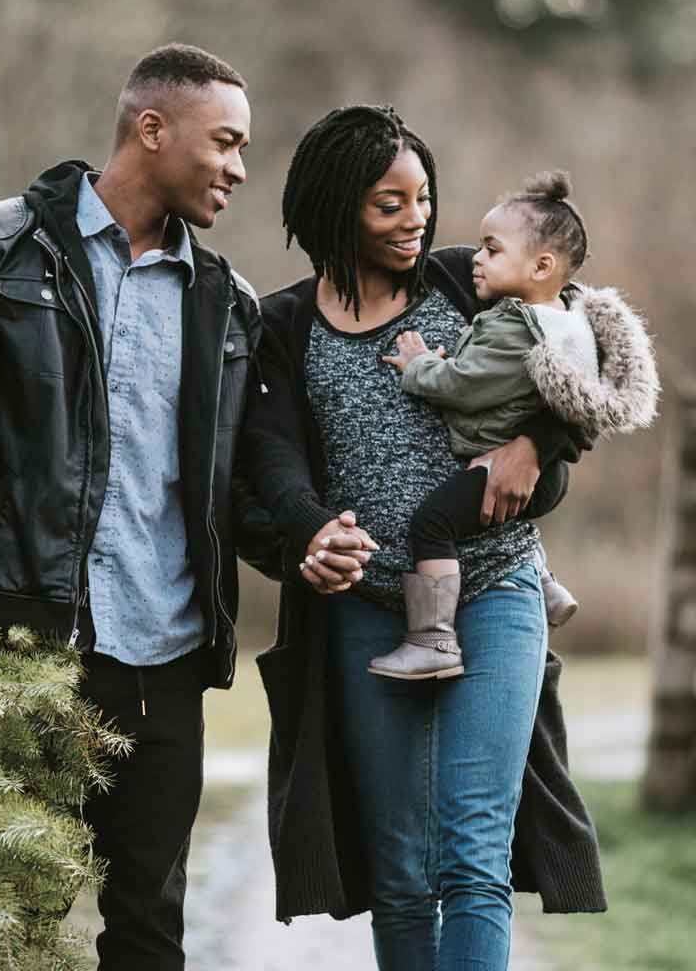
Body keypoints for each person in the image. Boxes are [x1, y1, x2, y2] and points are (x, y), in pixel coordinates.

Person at [0, 43, 260, 970]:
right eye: (225, 142)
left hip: (166, 663)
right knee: (3, 930)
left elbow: (231, 488)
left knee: (150, 936)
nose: (239, 168)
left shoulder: (226, 302)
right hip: (22, 648)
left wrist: (314, 537)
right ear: (151, 129)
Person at [238, 104, 607, 971]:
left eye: (423, 199)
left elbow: (582, 355)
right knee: (401, 869)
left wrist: (536, 444)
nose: (416, 220)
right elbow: (271, 457)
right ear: (337, 206)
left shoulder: (464, 282)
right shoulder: (283, 324)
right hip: (367, 607)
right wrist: (312, 530)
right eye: (389, 204)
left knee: (474, 851)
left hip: (495, 588)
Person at [370, 168, 658, 680]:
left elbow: (463, 385)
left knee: (433, 524)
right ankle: (545, 583)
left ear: (542, 265)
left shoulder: (517, 328)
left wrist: (419, 366)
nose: (476, 259)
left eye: (492, 249)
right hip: (547, 471)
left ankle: (433, 639)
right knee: (493, 518)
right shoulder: (564, 319)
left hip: (515, 463)